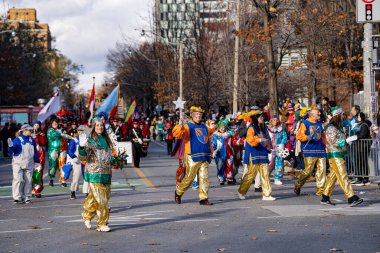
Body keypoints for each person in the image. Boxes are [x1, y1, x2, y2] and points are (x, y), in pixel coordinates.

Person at [78, 117, 119, 232]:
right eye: (97, 125)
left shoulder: (107, 140)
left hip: (106, 173)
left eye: (101, 125)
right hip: (94, 173)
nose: (99, 127)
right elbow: (83, 157)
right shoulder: (90, 141)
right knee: (102, 201)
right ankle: (102, 224)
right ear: (93, 127)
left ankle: (87, 215)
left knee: (94, 198)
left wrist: (116, 160)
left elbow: (109, 157)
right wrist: (81, 147)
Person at [320, 106, 363, 207]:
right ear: (337, 115)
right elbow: (333, 141)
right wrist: (346, 141)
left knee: (333, 176)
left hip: (339, 153)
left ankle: (325, 197)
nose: (343, 116)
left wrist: (348, 140)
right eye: (342, 114)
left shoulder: (337, 127)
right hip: (335, 154)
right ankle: (351, 197)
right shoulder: (330, 127)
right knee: (343, 175)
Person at [173, 106, 216, 205]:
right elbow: (179, 134)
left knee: (204, 177)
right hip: (192, 155)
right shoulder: (188, 126)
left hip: (204, 155)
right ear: (192, 115)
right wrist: (180, 126)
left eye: (200, 114)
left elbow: (207, 138)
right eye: (196, 114)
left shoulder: (204, 126)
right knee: (189, 178)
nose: (198, 116)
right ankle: (178, 192)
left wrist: (211, 150)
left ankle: (203, 198)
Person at [237, 111, 276, 201]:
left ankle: (266, 194)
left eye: (262, 117)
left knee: (265, 174)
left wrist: (268, 147)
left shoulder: (261, 128)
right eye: (260, 117)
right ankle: (241, 191)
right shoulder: (251, 128)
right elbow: (250, 140)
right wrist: (259, 139)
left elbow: (264, 140)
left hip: (262, 153)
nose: (262, 118)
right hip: (254, 153)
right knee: (251, 174)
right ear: (256, 119)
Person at [294, 106, 327, 196]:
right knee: (308, 171)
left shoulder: (320, 124)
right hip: (309, 150)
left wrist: (326, 145)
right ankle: (298, 184)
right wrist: (307, 137)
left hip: (320, 150)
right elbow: (299, 136)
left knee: (322, 170)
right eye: (318, 112)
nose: (319, 114)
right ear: (312, 114)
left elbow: (323, 137)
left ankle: (320, 190)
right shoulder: (305, 123)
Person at [8, 124, 40, 204]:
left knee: (28, 181)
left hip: (29, 163)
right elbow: (11, 152)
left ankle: (26, 197)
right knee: (18, 180)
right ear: (24, 131)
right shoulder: (17, 140)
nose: (31, 131)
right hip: (18, 163)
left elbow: (35, 152)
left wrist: (37, 161)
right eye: (29, 130)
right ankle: (17, 197)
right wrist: (10, 146)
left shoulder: (32, 140)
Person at [47, 118, 72, 187]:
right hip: (53, 150)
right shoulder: (49, 131)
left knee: (62, 164)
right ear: (51, 124)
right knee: (53, 165)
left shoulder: (60, 130)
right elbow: (54, 136)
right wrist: (62, 134)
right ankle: (51, 179)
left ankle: (63, 180)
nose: (55, 124)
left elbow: (65, 137)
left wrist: (71, 138)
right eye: (54, 123)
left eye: (56, 123)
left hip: (62, 149)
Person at [212, 120, 236, 185]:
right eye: (221, 127)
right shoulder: (215, 135)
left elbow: (233, 142)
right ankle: (221, 178)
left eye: (224, 127)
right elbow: (213, 144)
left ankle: (229, 178)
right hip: (219, 153)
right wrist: (214, 151)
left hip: (229, 152)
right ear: (219, 128)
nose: (223, 128)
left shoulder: (228, 135)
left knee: (229, 165)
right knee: (220, 166)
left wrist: (236, 142)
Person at [267, 116, 288, 185]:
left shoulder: (281, 129)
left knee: (279, 163)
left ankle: (277, 178)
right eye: (274, 120)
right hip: (270, 149)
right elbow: (266, 138)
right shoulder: (268, 129)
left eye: (277, 120)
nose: (275, 121)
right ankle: (266, 176)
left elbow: (285, 137)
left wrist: (282, 143)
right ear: (271, 121)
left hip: (279, 148)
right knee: (269, 163)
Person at [67, 125, 86, 199]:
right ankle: (73, 191)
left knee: (87, 178)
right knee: (76, 177)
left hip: (85, 161)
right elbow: (70, 151)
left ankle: (87, 192)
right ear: (77, 131)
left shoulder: (87, 140)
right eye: (80, 130)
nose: (81, 132)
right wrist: (74, 157)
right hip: (77, 161)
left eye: (82, 131)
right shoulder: (74, 140)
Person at [31, 121, 47, 198]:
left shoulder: (41, 134)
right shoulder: (29, 134)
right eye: (35, 125)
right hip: (30, 155)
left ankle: (37, 190)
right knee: (30, 173)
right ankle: (32, 189)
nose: (36, 126)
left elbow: (43, 142)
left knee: (38, 172)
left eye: (38, 125)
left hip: (39, 155)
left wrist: (38, 136)